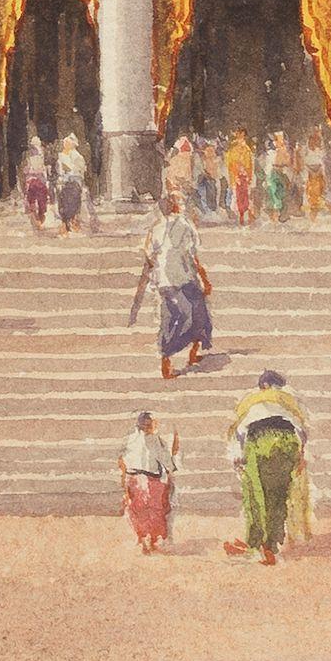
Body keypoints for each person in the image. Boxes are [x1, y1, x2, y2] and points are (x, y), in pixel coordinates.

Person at [224, 370, 310, 565]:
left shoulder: (251, 399)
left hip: (259, 440)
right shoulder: (288, 399)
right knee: (278, 495)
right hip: (287, 441)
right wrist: (301, 455)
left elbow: (239, 430)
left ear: (262, 385)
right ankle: (272, 544)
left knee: (255, 494)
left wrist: (237, 456)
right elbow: (301, 430)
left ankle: (257, 542)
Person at [138, 192, 213, 380]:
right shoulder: (184, 224)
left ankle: (167, 359)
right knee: (199, 313)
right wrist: (202, 276)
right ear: (175, 207)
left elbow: (148, 253)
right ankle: (193, 352)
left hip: (164, 281)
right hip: (184, 278)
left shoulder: (156, 229)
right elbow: (192, 254)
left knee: (170, 319)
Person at [117, 410, 177, 554]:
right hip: (151, 480)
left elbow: (121, 459)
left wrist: (123, 477)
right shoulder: (154, 440)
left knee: (138, 511)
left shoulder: (130, 439)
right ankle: (152, 540)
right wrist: (171, 469)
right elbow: (163, 457)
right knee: (155, 511)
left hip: (134, 479)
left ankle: (143, 538)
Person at [54, 132, 91, 235]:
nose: (65, 145)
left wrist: (70, 172)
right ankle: (65, 224)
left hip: (74, 182)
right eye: (65, 143)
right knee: (63, 202)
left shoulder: (78, 156)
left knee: (73, 203)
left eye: (67, 143)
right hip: (64, 183)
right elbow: (59, 170)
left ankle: (71, 222)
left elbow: (81, 171)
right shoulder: (61, 156)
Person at [224, 127, 256, 225]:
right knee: (237, 196)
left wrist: (248, 175)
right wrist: (236, 172)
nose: (240, 137)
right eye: (238, 135)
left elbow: (250, 164)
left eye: (242, 135)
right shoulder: (233, 149)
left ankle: (249, 214)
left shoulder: (247, 150)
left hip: (245, 176)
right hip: (236, 176)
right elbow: (230, 163)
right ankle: (241, 216)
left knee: (246, 196)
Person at [20, 135, 51, 230]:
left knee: (34, 202)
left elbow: (26, 171)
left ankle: (38, 221)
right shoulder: (33, 156)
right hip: (37, 181)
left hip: (36, 181)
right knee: (38, 202)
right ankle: (39, 221)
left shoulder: (30, 156)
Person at [163, 134, 198, 217]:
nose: (187, 155)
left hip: (183, 189)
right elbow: (171, 177)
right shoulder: (176, 160)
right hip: (175, 188)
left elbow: (189, 177)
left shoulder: (188, 161)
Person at [301, 129, 329, 220]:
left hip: (318, 173)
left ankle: (314, 216)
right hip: (309, 173)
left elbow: (322, 162)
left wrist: (320, 171)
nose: (317, 140)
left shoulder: (321, 149)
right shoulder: (306, 148)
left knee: (318, 193)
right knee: (310, 193)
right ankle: (311, 216)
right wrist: (310, 170)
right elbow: (303, 161)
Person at [195, 136, 222, 221]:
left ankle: (211, 212)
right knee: (203, 194)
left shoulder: (209, 150)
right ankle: (206, 213)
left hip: (210, 176)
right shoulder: (200, 154)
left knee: (210, 194)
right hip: (203, 176)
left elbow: (212, 161)